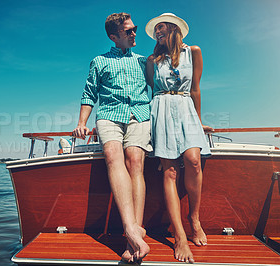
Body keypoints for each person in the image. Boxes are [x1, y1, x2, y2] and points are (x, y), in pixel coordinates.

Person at [72, 12, 151, 263]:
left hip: (140, 114)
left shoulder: (143, 61)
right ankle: (132, 231)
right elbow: (89, 94)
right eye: (129, 31)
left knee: (135, 162)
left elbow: (163, 83)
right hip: (108, 115)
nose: (134, 33)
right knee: (113, 156)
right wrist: (81, 123)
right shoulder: (99, 61)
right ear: (114, 36)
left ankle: (133, 240)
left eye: (134, 28)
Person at [145, 13, 213, 263]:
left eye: (161, 27)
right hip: (161, 108)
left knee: (194, 160)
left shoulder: (193, 51)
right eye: (156, 30)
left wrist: (198, 119)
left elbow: (195, 88)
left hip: (186, 107)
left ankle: (194, 219)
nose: (157, 32)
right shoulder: (152, 60)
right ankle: (180, 237)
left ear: (174, 29)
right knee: (170, 172)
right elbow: (150, 90)